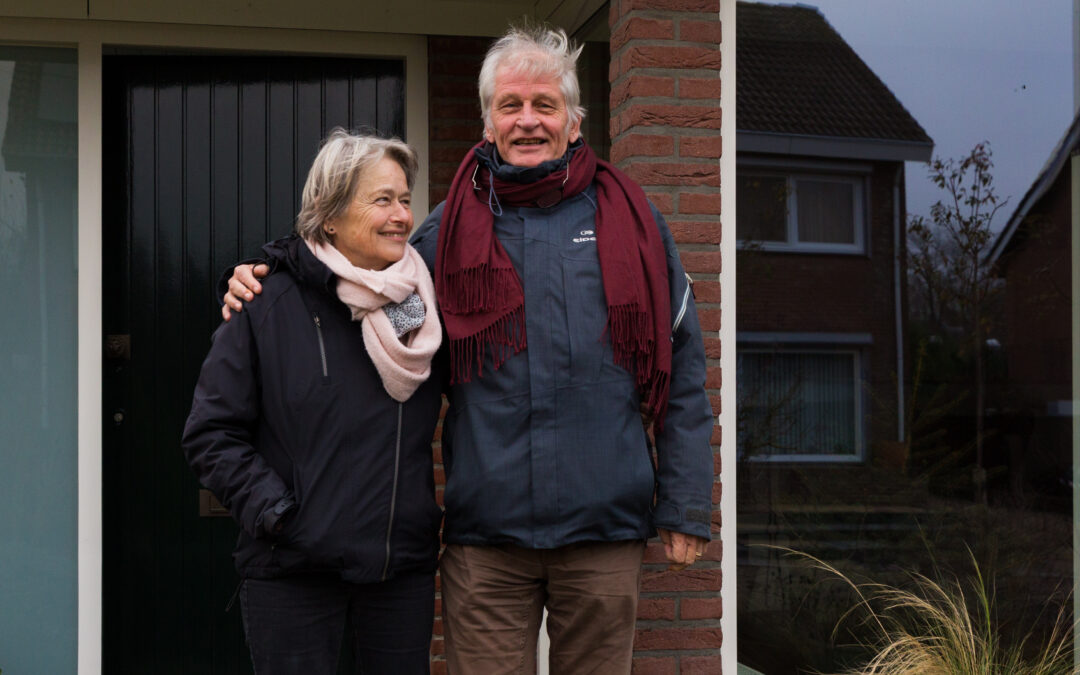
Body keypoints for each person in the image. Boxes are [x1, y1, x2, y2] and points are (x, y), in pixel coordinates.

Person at [223, 26, 714, 674]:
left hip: (605, 531)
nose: (528, 119)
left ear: (574, 121)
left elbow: (682, 372)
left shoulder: (636, 225)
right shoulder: (443, 234)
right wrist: (268, 277)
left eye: (545, 104)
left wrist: (684, 503)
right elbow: (360, 289)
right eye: (510, 105)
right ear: (488, 121)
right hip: (488, 540)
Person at [184, 130, 444, 675]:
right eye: (381, 200)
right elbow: (211, 434)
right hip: (294, 573)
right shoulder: (266, 303)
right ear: (329, 215)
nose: (401, 215)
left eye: (403, 199)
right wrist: (280, 515)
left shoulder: (422, 308)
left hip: (399, 574)